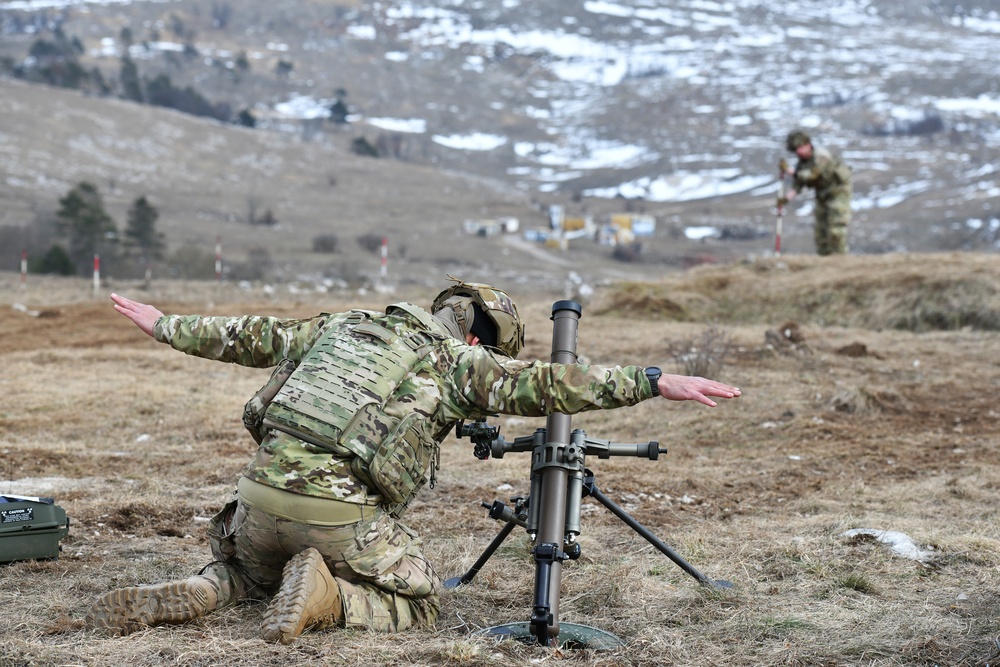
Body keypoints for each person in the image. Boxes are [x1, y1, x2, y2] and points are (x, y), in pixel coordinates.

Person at [85, 280, 740, 643]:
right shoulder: (462, 362)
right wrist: (654, 379)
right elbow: (551, 385)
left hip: (255, 506)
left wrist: (164, 322)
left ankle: (212, 584)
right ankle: (328, 598)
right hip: (339, 520)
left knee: (247, 568)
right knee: (422, 599)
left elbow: (249, 335)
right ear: (482, 338)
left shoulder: (343, 323)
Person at [779, 129, 853, 255]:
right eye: (796, 150)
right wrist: (785, 199)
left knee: (836, 229)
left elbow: (812, 175)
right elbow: (798, 184)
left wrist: (790, 171)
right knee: (821, 232)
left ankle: (841, 259)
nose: (798, 152)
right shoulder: (802, 163)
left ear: (808, 144)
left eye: (800, 148)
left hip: (837, 193)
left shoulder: (821, 156)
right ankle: (824, 261)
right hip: (822, 195)